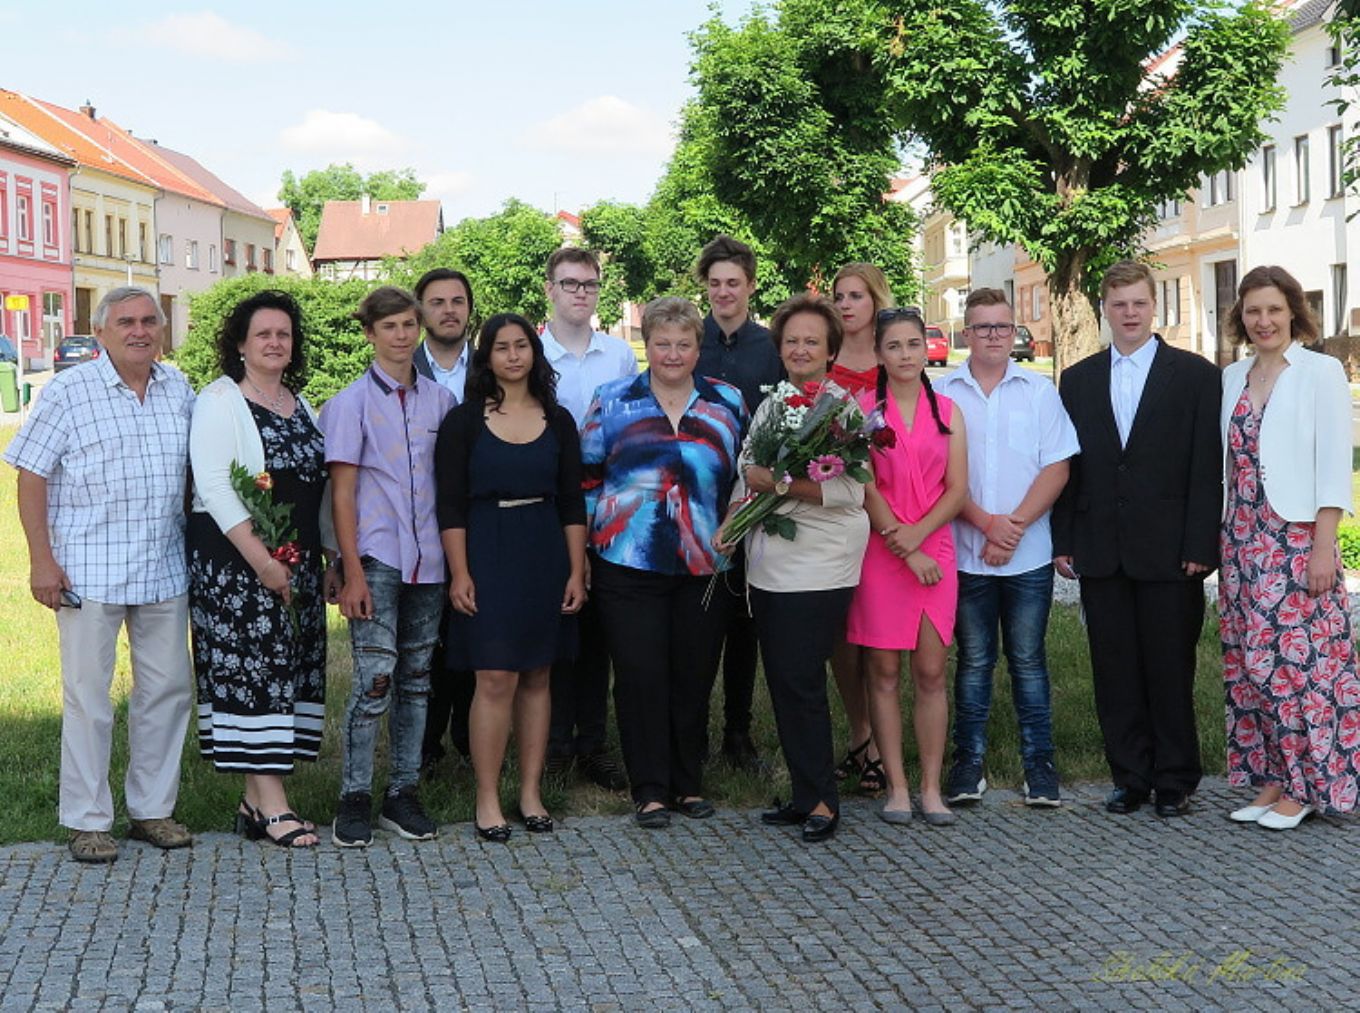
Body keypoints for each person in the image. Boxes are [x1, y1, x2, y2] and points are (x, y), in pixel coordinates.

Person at [5, 287, 194, 862]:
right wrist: (41, 560)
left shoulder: (178, 388)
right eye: (127, 323)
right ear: (102, 331)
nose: (140, 332)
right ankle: (88, 821)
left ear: (161, 330)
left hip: (164, 565)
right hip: (88, 569)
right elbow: (30, 476)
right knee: (89, 698)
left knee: (167, 691)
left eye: (149, 322)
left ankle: (152, 810)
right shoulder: (68, 391)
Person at [1052, 260, 1221, 819]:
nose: (1129, 313)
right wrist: (1064, 539)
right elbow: (1067, 468)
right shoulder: (1076, 380)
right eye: (1119, 304)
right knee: (1114, 668)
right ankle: (1130, 777)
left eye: (1139, 303)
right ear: (1105, 308)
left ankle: (1175, 779)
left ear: (1155, 307)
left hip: (1172, 551)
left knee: (1170, 668)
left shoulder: (1196, 376)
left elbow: (1206, 467)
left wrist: (1201, 543)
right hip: (1101, 547)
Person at [582, 296, 747, 828]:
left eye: (683, 344)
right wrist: (582, 553)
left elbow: (748, 476)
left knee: (694, 676)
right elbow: (586, 482)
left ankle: (687, 783)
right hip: (627, 563)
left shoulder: (728, 402)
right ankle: (649, 789)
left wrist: (737, 522)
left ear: (699, 347)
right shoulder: (611, 401)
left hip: (705, 563)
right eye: (662, 343)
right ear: (645, 346)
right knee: (639, 675)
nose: (672, 354)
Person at [715, 295, 868, 843]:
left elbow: (849, 490)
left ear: (830, 351)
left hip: (820, 566)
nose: (801, 349)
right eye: (792, 341)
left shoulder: (842, 410)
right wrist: (734, 520)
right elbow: (747, 469)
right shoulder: (774, 403)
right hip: (771, 567)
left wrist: (775, 484)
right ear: (780, 349)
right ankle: (805, 793)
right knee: (782, 681)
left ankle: (824, 800)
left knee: (802, 681)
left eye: (812, 341)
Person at [188, 290, 334, 848]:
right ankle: (273, 806)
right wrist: (262, 563)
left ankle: (253, 803)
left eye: (284, 334)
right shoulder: (220, 400)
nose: (275, 342)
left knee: (286, 669)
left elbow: (315, 488)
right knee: (254, 673)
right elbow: (217, 486)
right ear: (241, 345)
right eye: (263, 334)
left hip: (293, 559)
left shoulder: (300, 403)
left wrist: (325, 556)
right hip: (237, 561)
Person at [436, 313, 588, 842]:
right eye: (501, 348)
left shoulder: (558, 419)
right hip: (486, 549)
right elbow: (449, 505)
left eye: (522, 345)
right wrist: (459, 573)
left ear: (534, 352)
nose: (514, 356)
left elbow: (572, 500)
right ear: (487, 358)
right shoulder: (464, 422)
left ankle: (530, 792)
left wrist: (576, 569)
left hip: (544, 548)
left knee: (538, 675)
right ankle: (486, 798)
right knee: (494, 677)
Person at [1218, 265, 1358, 830]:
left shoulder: (1320, 372)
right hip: (1242, 538)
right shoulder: (1232, 376)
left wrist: (1324, 546)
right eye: (1253, 311)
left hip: (1296, 538)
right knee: (1251, 663)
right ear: (1241, 318)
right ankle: (1272, 777)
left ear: (1293, 312)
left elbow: (1334, 464)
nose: (1264, 320)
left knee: (1300, 668)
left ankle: (1306, 788)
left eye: (1274, 309)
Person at [322, 285, 454, 847]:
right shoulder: (350, 404)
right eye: (390, 327)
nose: (402, 336)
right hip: (376, 557)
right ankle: (353, 796)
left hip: (431, 562)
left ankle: (403, 793)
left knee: (417, 680)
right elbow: (342, 494)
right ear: (370, 334)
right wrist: (348, 570)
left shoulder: (441, 403)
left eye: (409, 325)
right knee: (376, 678)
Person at [937, 289, 1078, 808]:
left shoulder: (1038, 391)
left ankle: (1039, 764)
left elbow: (1058, 466)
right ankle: (967, 763)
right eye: (982, 327)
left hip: (1028, 554)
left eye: (1002, 327)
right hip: (967, 552)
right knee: (973, 661)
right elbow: (939, 474)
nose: (993, 335)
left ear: (1014, 331)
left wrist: (1012, 527)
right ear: (966, 333)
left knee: (1028, 660)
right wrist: (985, 525)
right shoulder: (944, 393)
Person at [846, 308, 968, 827]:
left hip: (934, 550)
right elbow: (864, 485)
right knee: (884, 671)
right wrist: (904, 544)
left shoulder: (950, 411)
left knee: (931, 670)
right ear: (878, 353)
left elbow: (958, 489)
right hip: (883, 548)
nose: (905, 355)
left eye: (914, 344)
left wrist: (921, 539)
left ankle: (932, 787)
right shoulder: (860, 411)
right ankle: (896, 787)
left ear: (928, 348)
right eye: (893, 346)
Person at [539, 247, 636, 792]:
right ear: (549, 289)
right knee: (556, 629)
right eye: (570, 283)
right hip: (547, 510)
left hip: (604, 509)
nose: (580, 292)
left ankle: (593, 744)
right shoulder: (529, 353)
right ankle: (552, 744)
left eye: (590, 284)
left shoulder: (619, 356)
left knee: (598, 632)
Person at [694, 234, 782, 771]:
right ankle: (696, 732)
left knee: (745, 623)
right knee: (702, 618)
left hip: (756, 499)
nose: (724, 292)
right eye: (715, 283)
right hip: (697, 500)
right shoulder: (689, 339)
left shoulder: (770, 347)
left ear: (750, 286)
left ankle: (738, 732)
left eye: (734, 283)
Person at [828, 262, 896, 793]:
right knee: (840, 637)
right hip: (832, 510)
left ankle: (879, 744)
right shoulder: (823, 359)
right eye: (839, 296)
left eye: (856, 295)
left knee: (876, 636)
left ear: (875, 300)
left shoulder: (893, 358)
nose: (847, 305)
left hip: (889, 509)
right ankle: (860, 734)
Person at [413, 267, 477, 772]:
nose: (449, 310)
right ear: (421, 312)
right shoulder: (402, 366)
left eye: (457, 301)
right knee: (425, 638)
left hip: (481, 519)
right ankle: (425, 743)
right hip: (416, 520)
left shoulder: (494, 365)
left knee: (472, 628)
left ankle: (470, 735)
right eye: (437, 302)